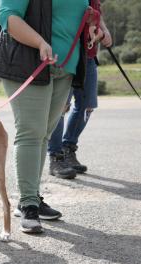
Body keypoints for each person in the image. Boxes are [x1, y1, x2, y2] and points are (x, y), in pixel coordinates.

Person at [0, 0, 89, 233]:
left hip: (66, 67)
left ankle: (33, 197)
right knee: (31, 133)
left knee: (44, 134)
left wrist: (95, 25)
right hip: (28, 61)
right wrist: (40, 42)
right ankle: (28, 203)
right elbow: (9, 16)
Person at [48, 8, 113, 179]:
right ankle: (56, 156)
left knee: (88, 106)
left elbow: (97, 11)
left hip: (89, 56)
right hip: (67, 52)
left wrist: (104, 30)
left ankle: (68, 148)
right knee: (60, 106)